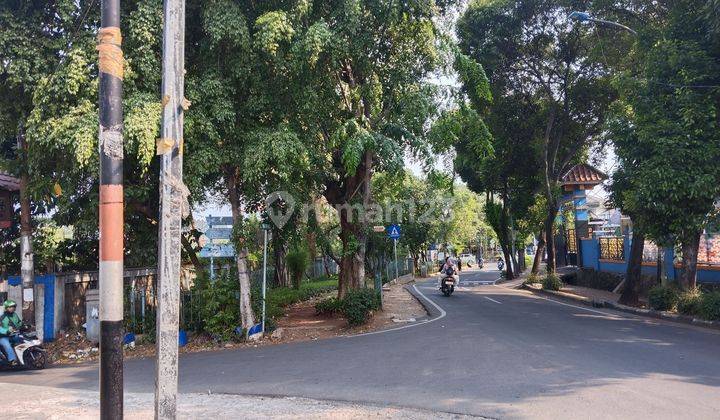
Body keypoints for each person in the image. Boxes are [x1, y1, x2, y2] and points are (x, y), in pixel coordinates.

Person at [0, 300, 22, 366]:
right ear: (6, 308)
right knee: (7, 345)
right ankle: (12, 360)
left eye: (14, 306)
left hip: (13, 335)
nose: (13, 308)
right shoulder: (2, 317)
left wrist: (24, 325)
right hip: (3, 336)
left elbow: (18, 323)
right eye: (11, 306)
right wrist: (6, 331)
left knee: (22, 341)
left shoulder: (14, 315)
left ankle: (24, 357)